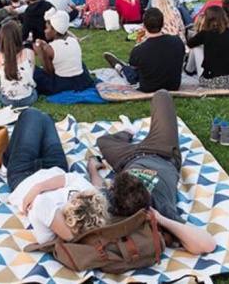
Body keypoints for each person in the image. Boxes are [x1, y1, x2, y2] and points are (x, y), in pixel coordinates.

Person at [91, 90, 217, 255]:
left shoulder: (114, 200)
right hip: (162, 151)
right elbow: (208, 245)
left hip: (127, 158)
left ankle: (128, 132)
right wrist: (161, 219)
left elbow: (98, 187)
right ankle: (129, 133)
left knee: (103, 140)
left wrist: (92, 169)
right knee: (162, 96)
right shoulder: (161, 209)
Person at [5, 107, 109, 244]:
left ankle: (6, 159)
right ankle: (10, 155)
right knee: (46, 118)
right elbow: (71, 178)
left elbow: (41, 202)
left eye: (72, 197)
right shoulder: (91, 204)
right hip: (54, 166)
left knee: (32, 114)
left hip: (23, 175)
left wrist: (70, 237)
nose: (72, 194)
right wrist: (38, 188)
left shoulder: (48, 232)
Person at [104, 8, 184, 93]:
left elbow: (133, 64)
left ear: (143, 26)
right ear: (163, 24)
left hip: (149, 87)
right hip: (173, 85)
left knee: (132, 73)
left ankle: (120, 68)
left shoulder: (139, 50)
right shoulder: (177, 41)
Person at [33, 10, 94, 96]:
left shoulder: (49, 48)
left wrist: (40, 53)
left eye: (47, 28)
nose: (45, 31)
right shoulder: (74, 40)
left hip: (63, 84)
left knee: (34, 70)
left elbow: (49, 72)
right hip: (82, 81)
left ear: (55, 31)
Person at [186, 6, 229, 88]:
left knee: (196, 47)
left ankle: (189, 69)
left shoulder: (205, 33)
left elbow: (190, 44)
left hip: (214, 81)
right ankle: (189, 69)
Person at [0, 21, 38, 107]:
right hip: (28, 99)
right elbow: (31, 74)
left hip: (7, 100)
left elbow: (1, 78)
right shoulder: (29, 52)